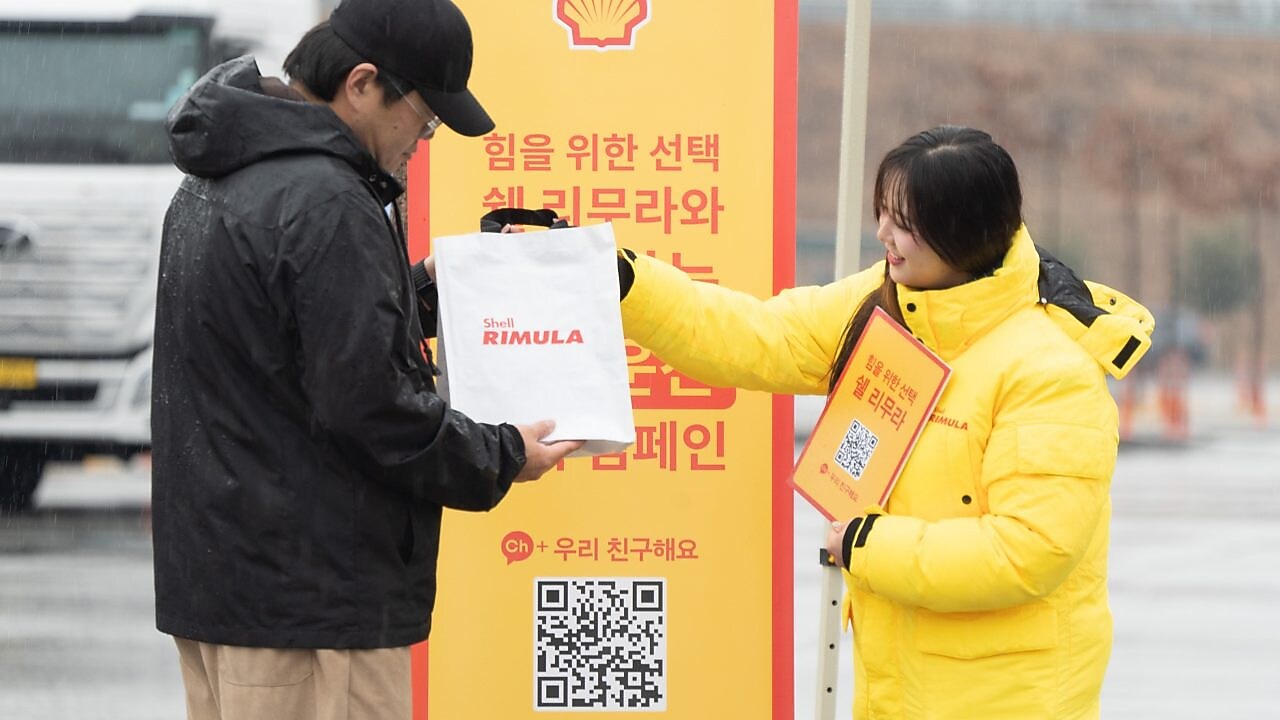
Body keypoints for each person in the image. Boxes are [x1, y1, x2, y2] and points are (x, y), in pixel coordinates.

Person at [616, 126, 1154, 719]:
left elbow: (1028, 551)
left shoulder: (1049, 372)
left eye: (902, 221)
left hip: (1007, 700)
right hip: (896, 693)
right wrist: (621, 283)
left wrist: (866, 544)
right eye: (882, 213)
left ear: (961, 230)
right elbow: (757, 336)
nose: (882, 235)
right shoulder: (887, 300)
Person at [151, 1, 582, 718]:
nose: (425, 137)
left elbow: (286, 356)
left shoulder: (222, 174)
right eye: (425, 114)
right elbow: (373, 409)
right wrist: (505, 454)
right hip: (313, 610)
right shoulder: (326, 201)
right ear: (361, 84)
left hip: (229, 589)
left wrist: (429, 289)